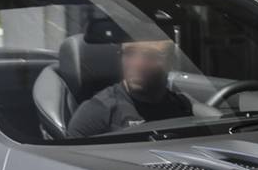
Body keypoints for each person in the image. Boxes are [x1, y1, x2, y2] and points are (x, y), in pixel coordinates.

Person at [66, 39, 194, 140]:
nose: (138, 64)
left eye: (152, 55)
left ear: (171, 62)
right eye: (130, 53)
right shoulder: (96, 113)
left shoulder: (181, 106)